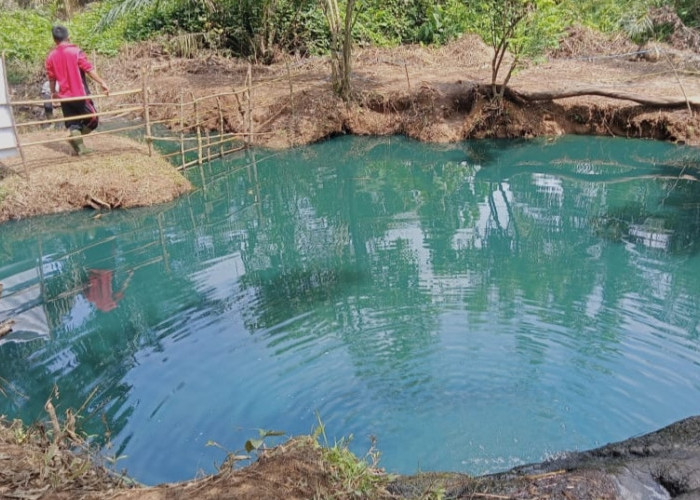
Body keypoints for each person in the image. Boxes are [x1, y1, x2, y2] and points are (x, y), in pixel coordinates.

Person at [45, 25, 109, 155]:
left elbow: (52, 78)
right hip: (80, 95)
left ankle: (79, 144)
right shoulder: (75, 52)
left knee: (73, 123)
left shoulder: (51, 56)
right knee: (93, 120)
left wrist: (54, 93)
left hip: (65, 97)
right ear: (68, 37)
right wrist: (102, 82)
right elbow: (88, 69)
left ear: (54, 40)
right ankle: (77, 142)